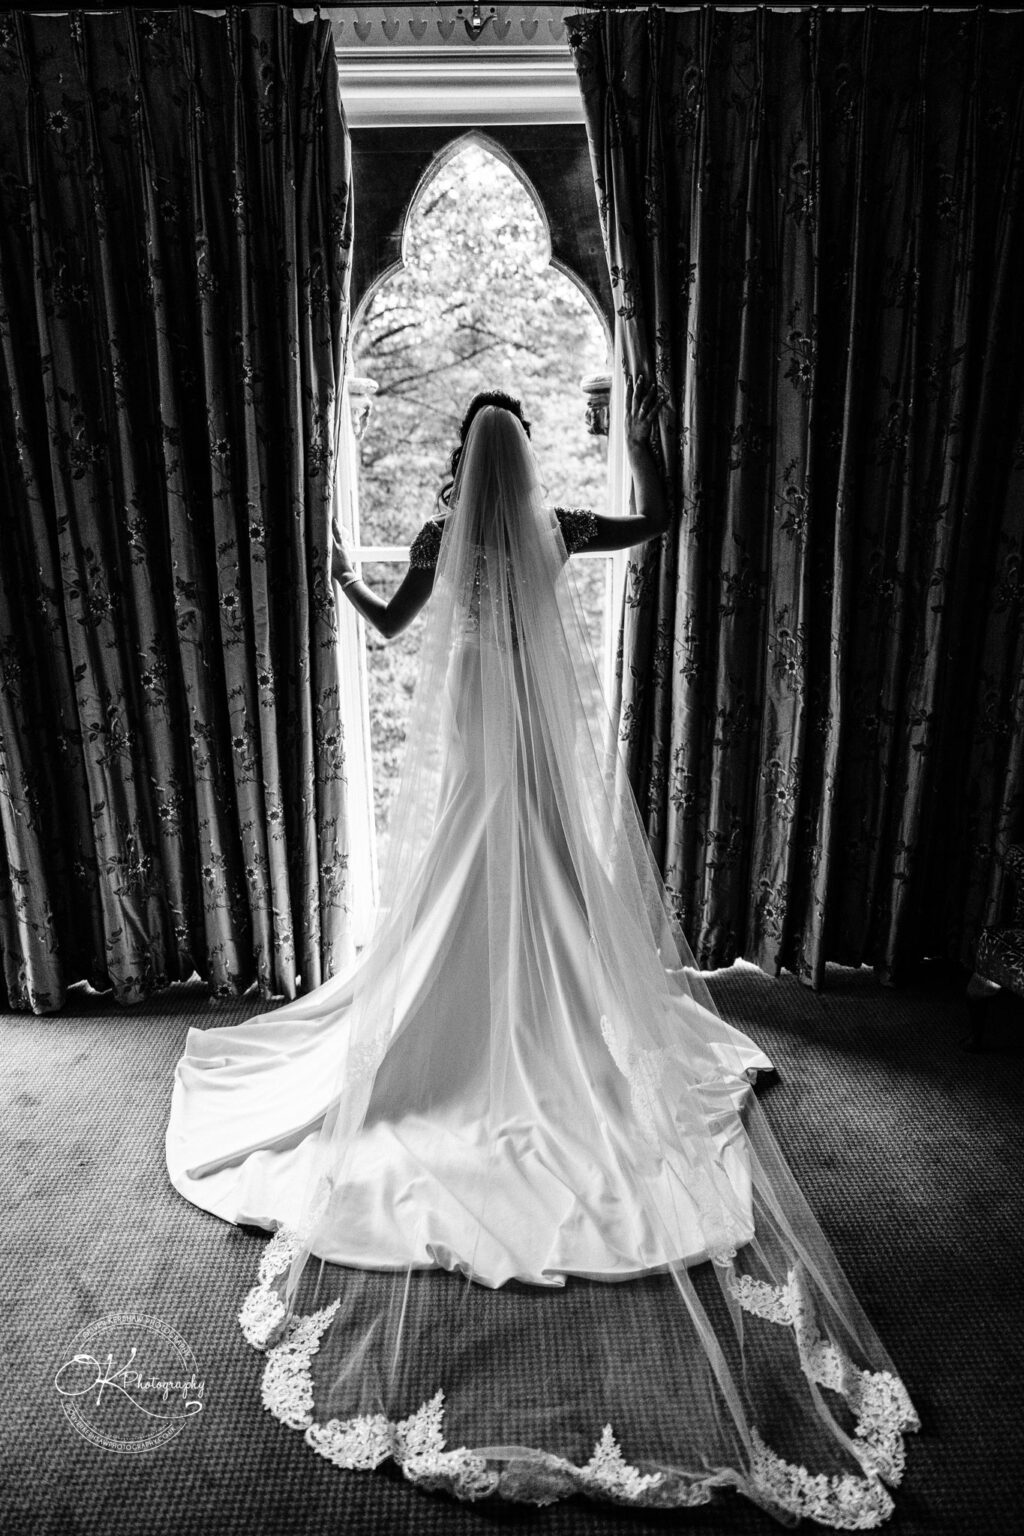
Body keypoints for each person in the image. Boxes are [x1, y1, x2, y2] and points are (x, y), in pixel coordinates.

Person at [166, 379, 917, 1526]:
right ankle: (556, 1033)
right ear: (521, 456)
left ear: (467, 461)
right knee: (558, 891)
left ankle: (450, 1032)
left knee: (459, 889)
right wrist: (646, 441)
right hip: (534, 755)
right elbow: (656, 522)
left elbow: (383, 624)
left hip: (474, 745)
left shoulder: (437, 534)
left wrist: (336, 572)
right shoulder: (556, 527)